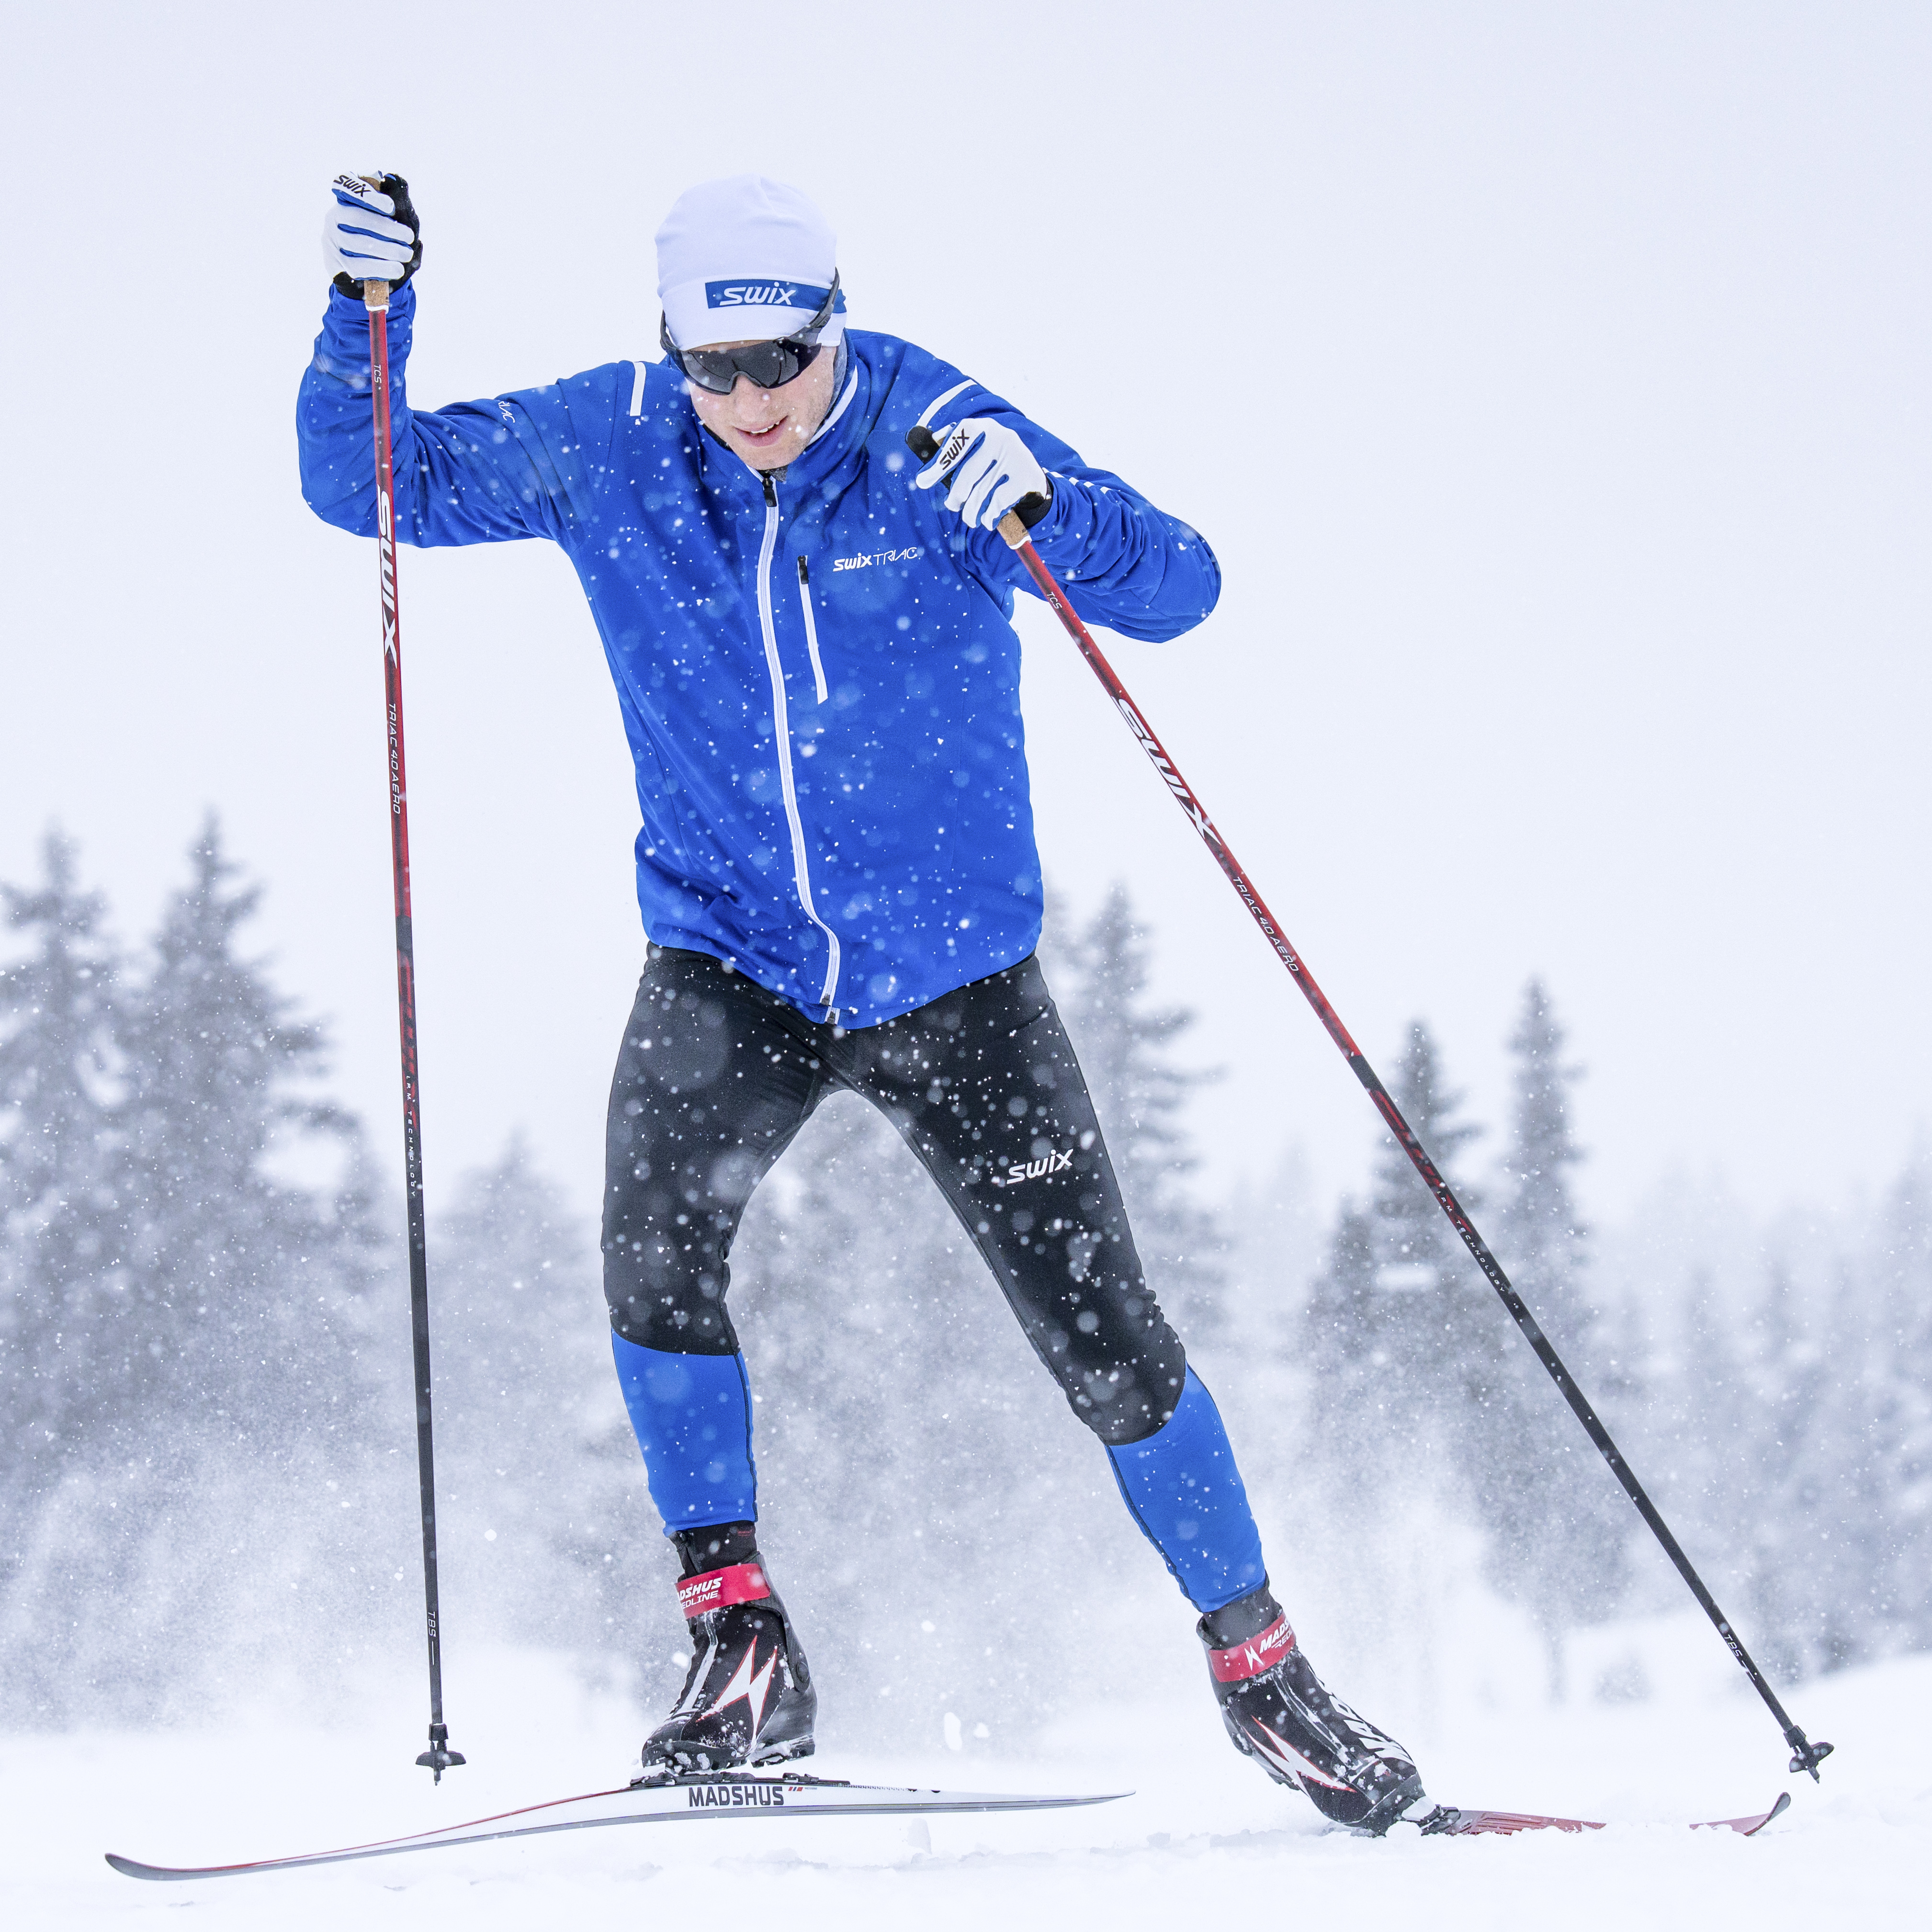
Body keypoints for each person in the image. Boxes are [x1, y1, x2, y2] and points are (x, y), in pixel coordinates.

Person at [299, 171, 1429, 1833]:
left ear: (836, 330)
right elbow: (362, 485)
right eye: (717, 368)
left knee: (1107, 1337)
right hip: (729, 958)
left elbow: (1177, 589)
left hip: (951, 977)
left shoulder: (933, 428)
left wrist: (1055, 503)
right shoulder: (610, 442)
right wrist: (362, 324)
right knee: (649, 1253)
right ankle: (739, 1642)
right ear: (671, 351)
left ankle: (1263, 1672)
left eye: (784, 363)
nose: (753, 402)